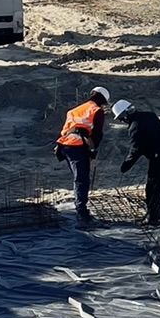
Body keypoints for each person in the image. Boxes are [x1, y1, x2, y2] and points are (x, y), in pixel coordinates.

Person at [113, 99, 160, 225]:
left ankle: (152, 218)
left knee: (153, 188)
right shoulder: (149, 115)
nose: (122, 121)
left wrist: (126, 165)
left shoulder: (135, 127)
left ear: (126, 116)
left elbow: (135, 150)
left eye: (121, 119)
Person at [55, 86, 110, 221]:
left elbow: (66, 129)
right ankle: (82, 212)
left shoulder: (74, 110)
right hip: (76, 146)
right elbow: (97, 134)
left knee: (79, 178)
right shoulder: (96, 111)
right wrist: (93, 150)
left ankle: (80, 206)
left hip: (64, 146)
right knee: (82, 179)